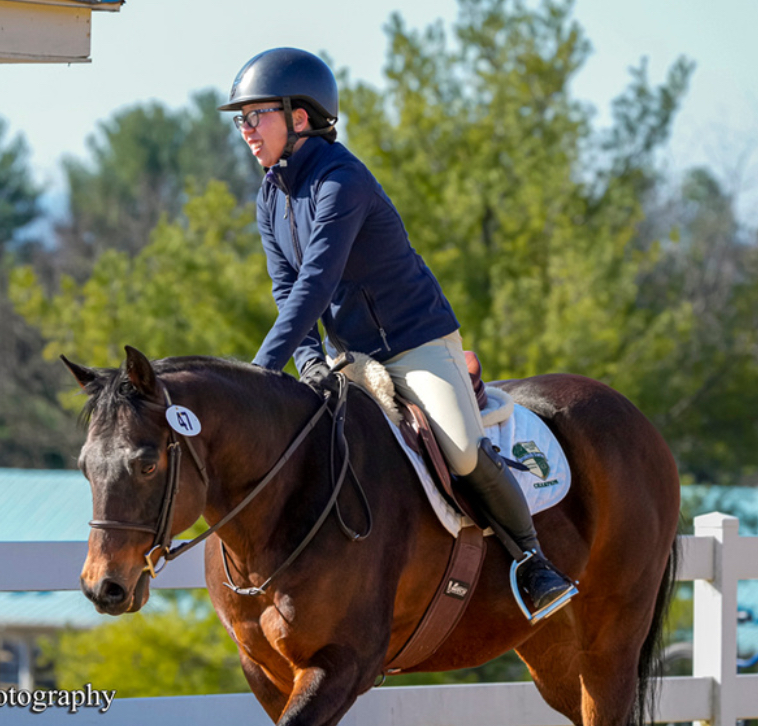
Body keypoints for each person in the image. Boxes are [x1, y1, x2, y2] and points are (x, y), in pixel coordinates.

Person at [218, 47, 576, 622]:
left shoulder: (343, 181)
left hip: (417, 345)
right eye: (241, 120)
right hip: (350, 356)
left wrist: (261, 373)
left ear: (300, 117)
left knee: (460, 450)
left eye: (256, 115)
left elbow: (316, 282)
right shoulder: (269, 197)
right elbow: (287, 291)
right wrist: (307, 359)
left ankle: (533, 561)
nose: (246, 130)